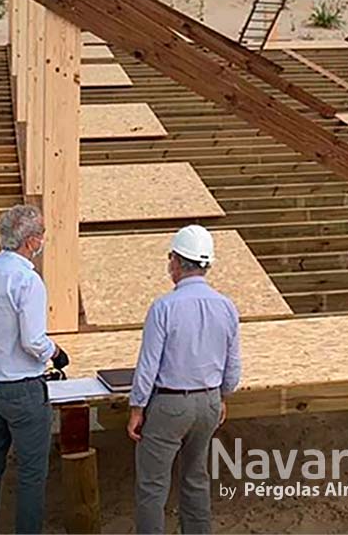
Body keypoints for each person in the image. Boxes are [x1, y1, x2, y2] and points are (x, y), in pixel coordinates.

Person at [129, 225, 242, 535]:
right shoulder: (226, 306)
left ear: (176, 261)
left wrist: (137, 408)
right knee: (195, 477)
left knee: (152, 486)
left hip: (170, 403)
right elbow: (232, 365)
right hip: (207, 401)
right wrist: (221, 397)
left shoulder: (164, 307)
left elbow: (148, 365)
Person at [0, 204, 68, 535]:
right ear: (32, 241)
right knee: (32, 474)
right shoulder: (28, 280)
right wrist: (56, 353)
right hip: (22, 389)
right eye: (41, 237)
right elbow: (33, 341)